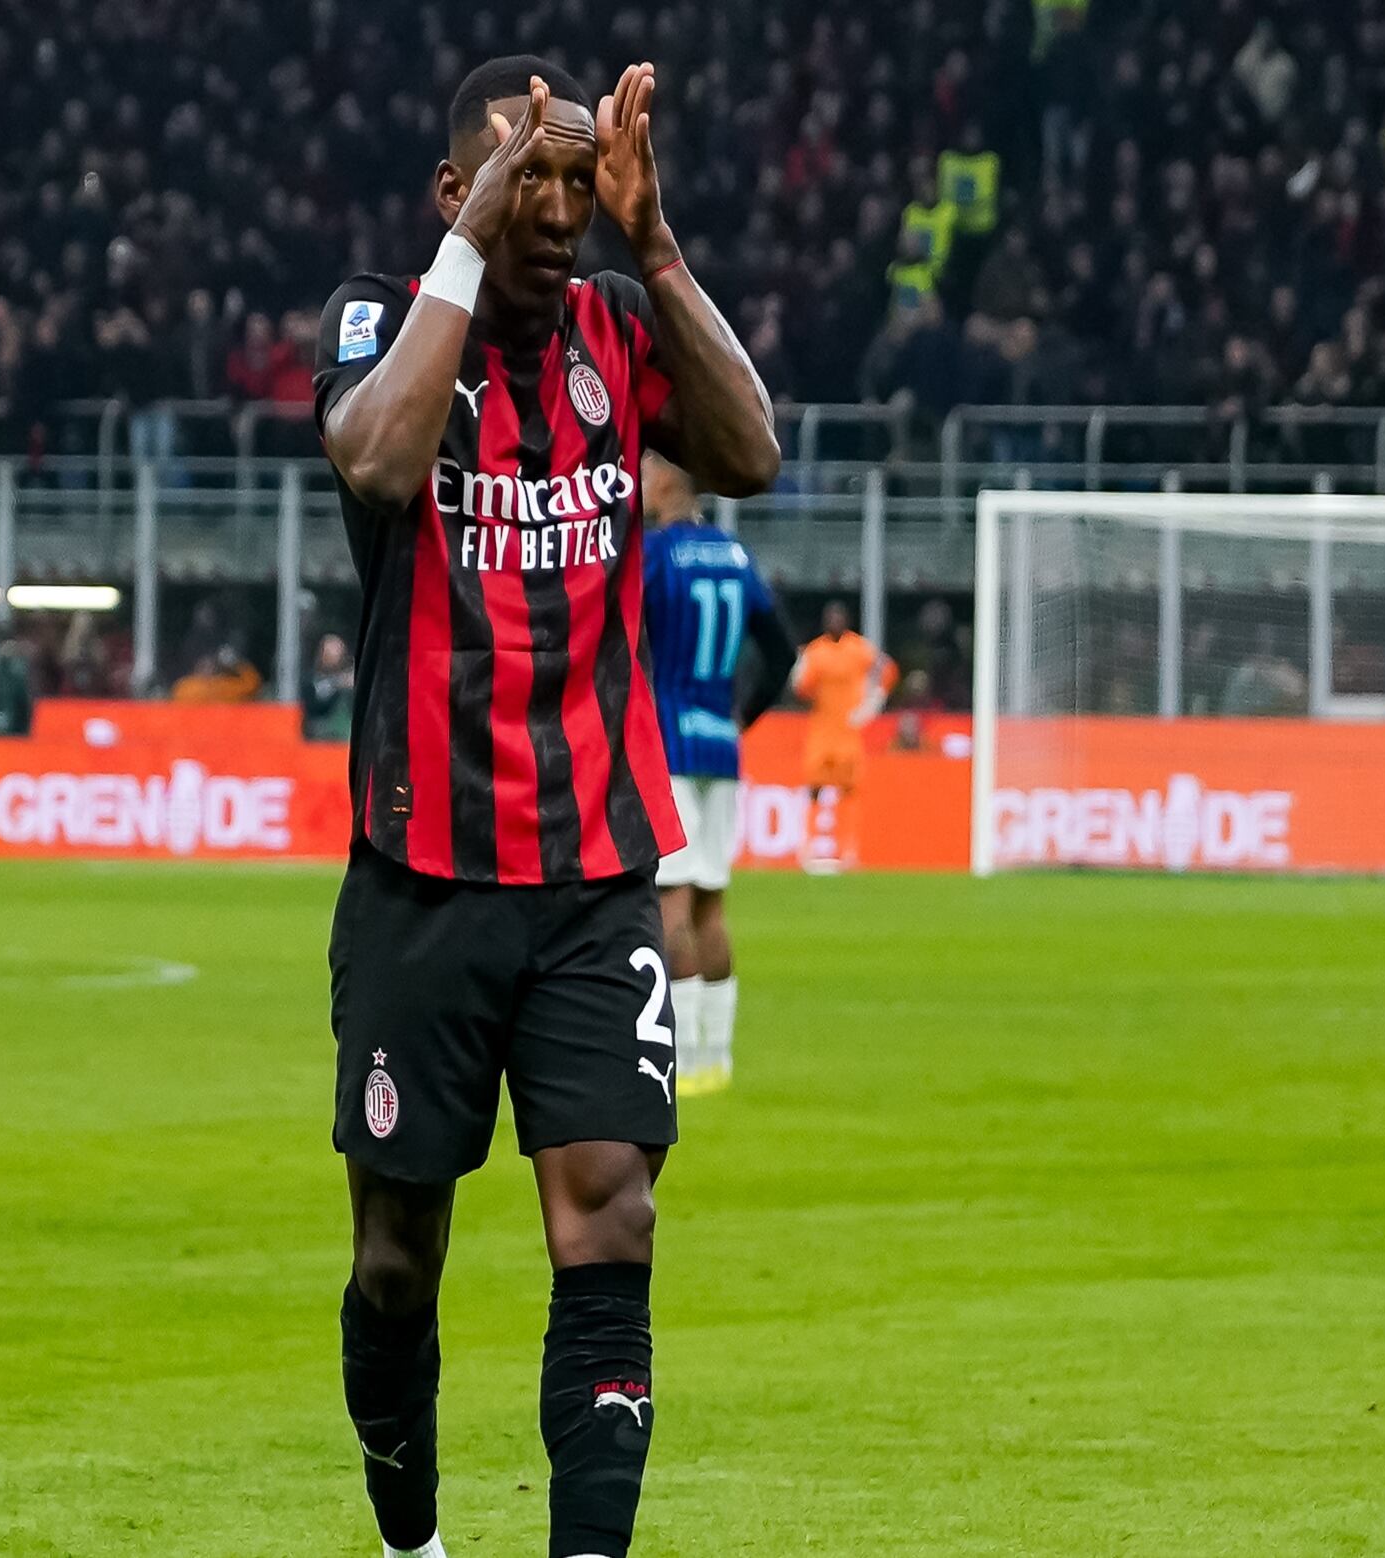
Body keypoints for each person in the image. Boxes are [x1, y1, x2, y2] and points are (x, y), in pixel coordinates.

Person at [311, 55, 776, 1558]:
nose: (560, 209)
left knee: (611, 1219)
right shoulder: (383, 321)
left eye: (581, 179)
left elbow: (752, 452)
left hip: (591, 871)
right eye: (535, 180)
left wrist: (657, 240)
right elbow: (379, 461)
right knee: (397, 1257)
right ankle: (414, 1543)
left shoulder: (617, 330)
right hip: (422, 873)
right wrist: (475, 234)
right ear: (460, 195)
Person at [640, 451, 796, 1096]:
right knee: (710, 905)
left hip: (669, 746)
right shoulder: (736, 557)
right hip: (721, 748)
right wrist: (742, 715)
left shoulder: (652, 557)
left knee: (668, 904)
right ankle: (716, 1056)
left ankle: (676, 1063)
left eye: (646, 468)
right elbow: (782, 651)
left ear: (673, 477)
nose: (636, 479)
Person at [793, 601, 897, 873]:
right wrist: (800, 672)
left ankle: (849, 851)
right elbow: (802, 689)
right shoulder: (816, 651)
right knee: (815, 788)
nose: (834, 621)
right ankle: (809, 848)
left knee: (848, 790)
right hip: (822, 729)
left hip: (848, 731)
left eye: (838, 617)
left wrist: (873, 703)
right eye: (830, 617)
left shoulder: (858, 648)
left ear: (847, 621)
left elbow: (888, 670)